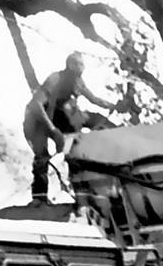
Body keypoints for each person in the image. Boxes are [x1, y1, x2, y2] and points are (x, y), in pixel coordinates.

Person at [22, 53, 119, 200]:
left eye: (83, 65)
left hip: (58, 117)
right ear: (70, 65)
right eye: (78, 64)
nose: (82, 68)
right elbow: (36, 104)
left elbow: (93, 99)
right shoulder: (55, 79)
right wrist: (54, 131)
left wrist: (114, 106)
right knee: (41, 158)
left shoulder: (78, 81)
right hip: (37, 120)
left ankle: (82, 190)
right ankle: (39, 198)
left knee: (75, 148)